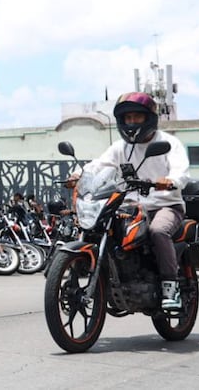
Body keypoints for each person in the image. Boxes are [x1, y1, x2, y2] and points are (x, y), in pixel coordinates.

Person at [66, 92, 190, 310]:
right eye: (127, 118)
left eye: (137, 117)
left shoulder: (169, 143)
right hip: (131, 206)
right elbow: (98, 165)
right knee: (100, 227)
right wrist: (78, 175)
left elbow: (182, 171)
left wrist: (170, 181)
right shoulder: (120, 147)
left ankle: (171, 285)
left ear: (149, 118)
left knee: (158, 231)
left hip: (166, 205)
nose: (131, 123)